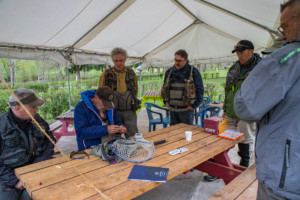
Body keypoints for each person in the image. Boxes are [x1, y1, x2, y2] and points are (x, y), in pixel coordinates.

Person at [234, 0, 300, 199]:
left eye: (285, 26)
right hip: (289, 170)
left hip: (284, 176)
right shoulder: (234, 69)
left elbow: (244, 105)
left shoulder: (289, 57)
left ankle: (244, 164)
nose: (283, 33)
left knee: (246, 139)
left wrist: (283, 48)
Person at [204, 40, 262, 182]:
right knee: (223, 141)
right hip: (231, 111)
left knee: (245, 143)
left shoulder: (261, 68)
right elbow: (228, 90)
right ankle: (219, 169)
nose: (238, 55)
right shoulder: (234, 68)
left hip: (248, 113)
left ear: (251, 51)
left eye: (241, 52)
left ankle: (242, 171)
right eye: (237, 52)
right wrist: (225, 108)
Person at [0, 88, 55, 200]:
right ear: (17, 107)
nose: (37, 109)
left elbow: (50, 140)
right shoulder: (2, 125)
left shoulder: (36, 120)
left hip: (36, 170)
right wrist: (15, 181)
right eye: (33, 106)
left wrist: (37, 166)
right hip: (8, 179)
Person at [98, 47, 138, 138]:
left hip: (129, 111)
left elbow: (135, 91)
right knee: (115, 138)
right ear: (112, 60)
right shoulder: (106, 74)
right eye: (116, 61)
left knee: (133, 136)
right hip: (113, 112)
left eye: (121, 60)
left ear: (125, 59)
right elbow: (100, 94)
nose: (119, 63)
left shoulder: (132, 73)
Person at [161, 49, 204, 125]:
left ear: (186, 60)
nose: (177, 62)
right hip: (173, 110)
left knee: (186, 134)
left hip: (186, 111)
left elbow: (200, 90)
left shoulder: (193, 71)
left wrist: (194, 105)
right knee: (174, 134)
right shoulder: (169, 72)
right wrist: (166, 102)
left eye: (179, 61)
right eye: (175, 60)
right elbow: (165, 88)